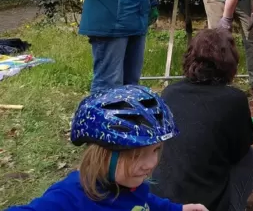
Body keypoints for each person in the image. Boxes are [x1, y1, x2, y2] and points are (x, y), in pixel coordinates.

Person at [7, 85, 208, 211]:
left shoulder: (130, 186)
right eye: (137, 154)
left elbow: (146, 203)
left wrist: (178, 209)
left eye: (156, 150)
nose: (151, 164)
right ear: (102, 154)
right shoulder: (69, 198)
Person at [151, 29, 253, 211]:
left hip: (164, 198)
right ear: (229, 62)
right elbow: (240, 150)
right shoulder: (234, 99)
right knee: (251, 158)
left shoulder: (170, 92)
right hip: (203, 202)